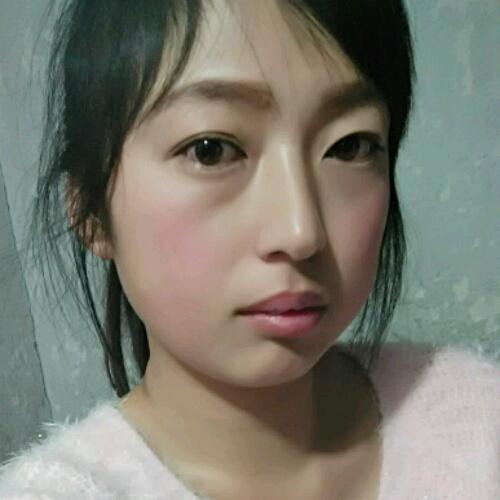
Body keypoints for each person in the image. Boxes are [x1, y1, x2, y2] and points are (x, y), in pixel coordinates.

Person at [0, 0, 499, 498]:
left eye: (348, 146)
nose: (300, 232)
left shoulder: (475, 419)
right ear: (90, 209)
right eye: (211, 150)